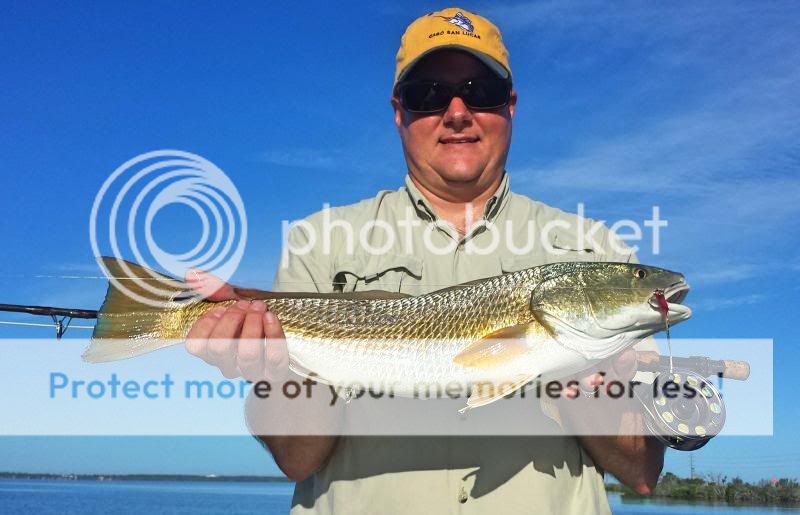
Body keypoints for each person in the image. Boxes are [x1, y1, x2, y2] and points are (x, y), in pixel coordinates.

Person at [185, 7, 665, 514]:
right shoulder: (318, 241)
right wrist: (275, 376)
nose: (457, 112)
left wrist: (588, 391)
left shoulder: (596, 251)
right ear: (399, 112)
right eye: (428, 94)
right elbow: (298, 457)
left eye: (482, 92)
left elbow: (640, 470)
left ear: (511, 107)